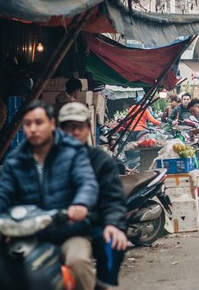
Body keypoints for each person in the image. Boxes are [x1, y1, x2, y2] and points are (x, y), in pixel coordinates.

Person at [0, 100, 98, 290]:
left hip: (68, 232)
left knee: (78, 261)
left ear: (51, 124)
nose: (33, 129)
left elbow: (87, 183)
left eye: (39, 122)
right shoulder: (15, 161)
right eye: (28, 123)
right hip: (28, 233)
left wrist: (80, 204)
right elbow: (3, 196)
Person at [58, 103, 127, 290]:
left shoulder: (100, 160)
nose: (73, 132)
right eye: (68, 127)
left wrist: (112, 224)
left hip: (92, 224)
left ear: (88, 129)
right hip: (56, 227)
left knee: (113, 243)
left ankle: (104, 284)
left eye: (79, 127)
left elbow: (113, 199)